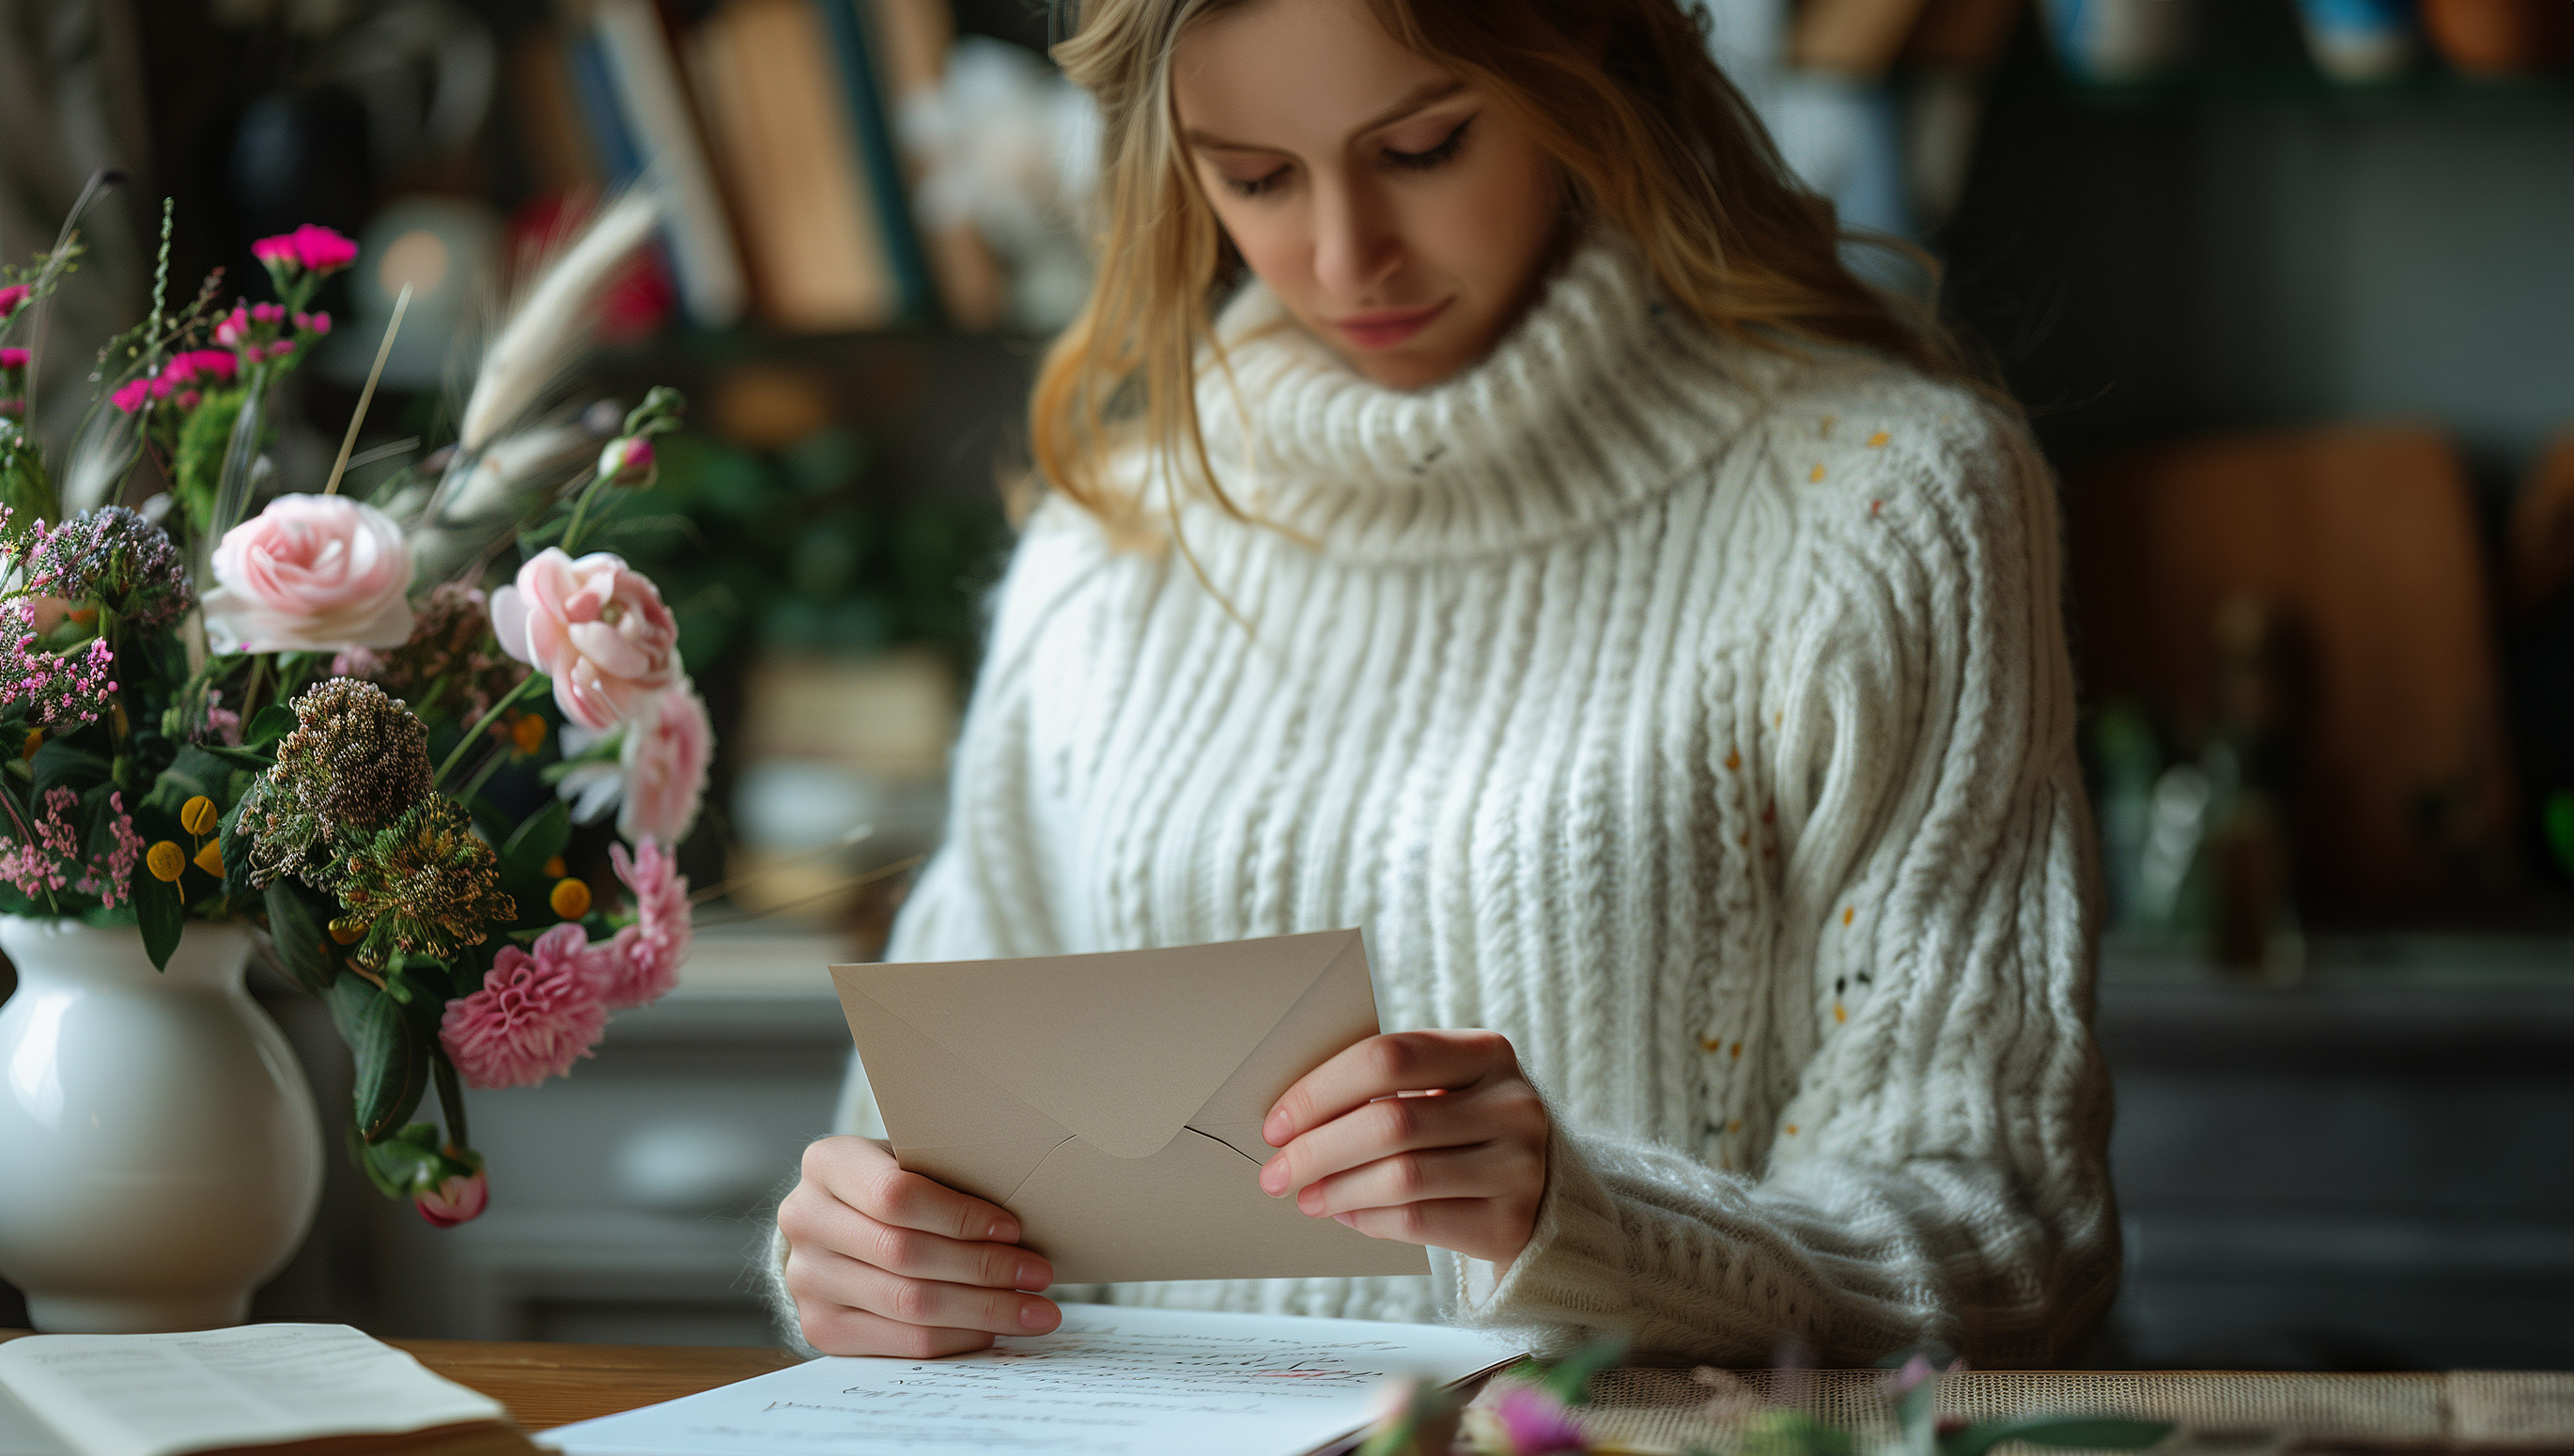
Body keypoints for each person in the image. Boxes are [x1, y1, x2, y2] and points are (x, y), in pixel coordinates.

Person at [765, 0, 2117, 1366]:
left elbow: (2009, 1242)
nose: (1348, 257)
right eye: (1255, 176)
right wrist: (865, 1256)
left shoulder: (1886, 508)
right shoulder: (1108, 540)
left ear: (1579, 58)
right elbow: (909, 1158)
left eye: (1422, 147)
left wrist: (1588, 1227)